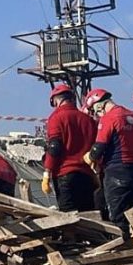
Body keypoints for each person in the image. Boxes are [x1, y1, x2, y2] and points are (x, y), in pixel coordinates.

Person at [83, 88, 133, 238]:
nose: (97, 115)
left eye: (95, 111)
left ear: (99, 105)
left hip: (117, 172)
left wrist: (90, 157)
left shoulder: (109, 118)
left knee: (119, 219)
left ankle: (123, 250)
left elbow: (99, 147)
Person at [42, 84, 97, 212]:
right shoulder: (88, 120)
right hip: (87, 176)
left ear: (55, 100)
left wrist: (47, 172)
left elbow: (55, 147)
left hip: (65, 175)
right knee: (90, 220)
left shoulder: (56, 118)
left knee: (70, 222)